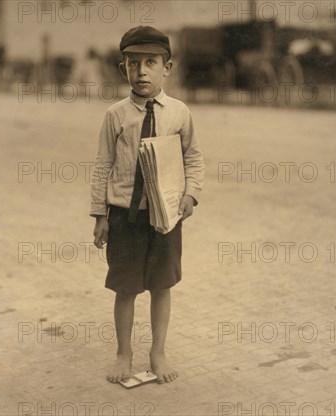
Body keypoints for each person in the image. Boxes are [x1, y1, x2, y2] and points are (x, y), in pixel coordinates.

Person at [90, 26, 204, 384]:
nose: (141, 72)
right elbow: (102, 166)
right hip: (125, 215)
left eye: (150, 63)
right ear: (123, 68)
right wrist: (100, 215)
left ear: (166, 68)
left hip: (165, 216)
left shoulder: (179, 113)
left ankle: (158, 351)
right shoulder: (116, 115)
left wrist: (190, 195)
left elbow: (194, 159)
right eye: (133, 63)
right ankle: (123, 353)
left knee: (161, 284)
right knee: (125, 288)